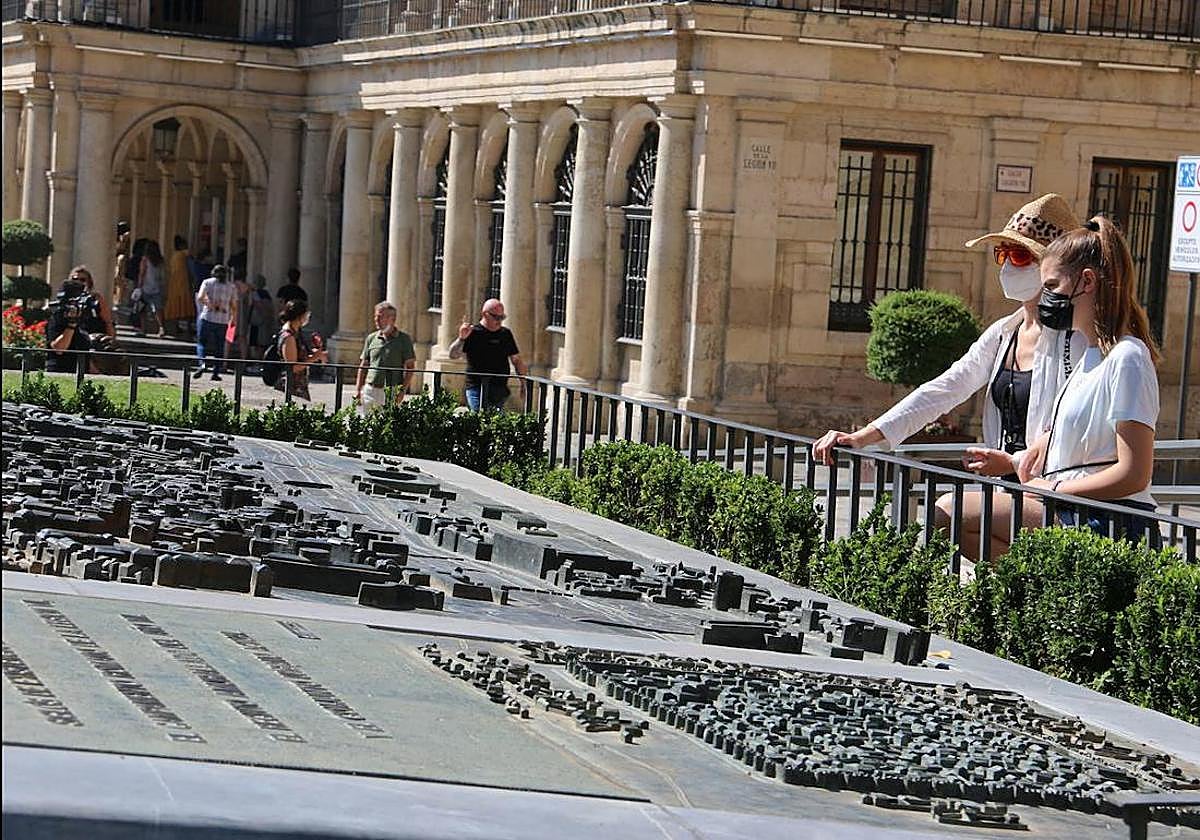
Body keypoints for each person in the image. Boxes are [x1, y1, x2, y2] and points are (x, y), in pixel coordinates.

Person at [811, 194, 1086, 561]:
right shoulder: (1005, 331)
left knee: (948, 514)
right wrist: (865, 436)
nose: (1007, 265)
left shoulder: (1078, 339)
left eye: (1019, 255)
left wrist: (1018, 459)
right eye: (1001, 254)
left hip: (1056, 489)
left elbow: (1083, 418)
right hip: (1009, 489)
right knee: (967, 536)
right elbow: (945, 388)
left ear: (1051, 266)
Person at [1019, 217, 1163, 548]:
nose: (1045, 299)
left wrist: (1052, 489)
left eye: (1052, 286)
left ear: (1087, 281)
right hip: (1076, 513)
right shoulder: (1090, 356)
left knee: (953, 512)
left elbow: (1134, 474)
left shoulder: (1128, 357)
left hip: (1106, 522)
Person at [448, 298, 528, 411]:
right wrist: (461, 339)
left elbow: (516, 360)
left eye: (502, 317)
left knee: (494, 422)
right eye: (496, 317)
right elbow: (453, 355)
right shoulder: (473, 332)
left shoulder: (505, 334)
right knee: (478, 417)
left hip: (499, 387)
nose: (499, 321)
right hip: (476, 386)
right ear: (485, 314)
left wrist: (523, 383)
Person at [354, 301, 416, 413]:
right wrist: (358, 389)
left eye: (380, 317)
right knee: (367, 423)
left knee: (386, 425)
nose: (376, 320)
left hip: (390, 389)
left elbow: (410, 367)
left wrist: (402, 391)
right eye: (375, 316)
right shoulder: (371, 338)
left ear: (391, 319)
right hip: (370, 389)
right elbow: (363, 365)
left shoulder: (404, 339)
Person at [46, 275, 114, 374]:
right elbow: (59, 348)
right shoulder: (58, 317)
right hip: (60, 371)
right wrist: (71, 324)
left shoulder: (87, 317)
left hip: (81, 372)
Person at [275, 298, 328, 402]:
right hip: (291, 387)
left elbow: (299, 356)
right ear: (300, 316)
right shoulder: (288, 337)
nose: (307, 317)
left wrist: (315, 354)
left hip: (299, 385)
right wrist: (314, 358)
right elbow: (292, 367)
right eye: (306, 314)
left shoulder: (296, 332)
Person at [194, 264, 236, 380]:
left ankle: (202, 363)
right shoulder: (231, 287)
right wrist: (233, 319)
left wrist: (209, 304)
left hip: (207, 317)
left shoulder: (207, 282)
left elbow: (200, 297)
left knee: (201, 342)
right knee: (219, 346)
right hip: (223, 320)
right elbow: (233, 305)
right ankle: (216, 372)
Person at [163, 235, 195, 336]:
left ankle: (176, 326)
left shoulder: (174, 255)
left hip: (174, 283)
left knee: (177, 306)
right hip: (183, 283)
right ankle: (189, 327)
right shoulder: (184, 254)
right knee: (187, 307)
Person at [136, 240, 165, 337]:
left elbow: (142, 273)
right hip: (157, 287)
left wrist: (139, 286)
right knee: (158, 309)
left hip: (145, 287)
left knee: (142, 309)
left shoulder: (145, 259)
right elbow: (162, 274)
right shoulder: (160, 260)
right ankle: (161, 328)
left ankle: (143, 329)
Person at [248, 274, 275, 360]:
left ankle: (257, 362)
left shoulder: (256, 293)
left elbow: (258, 304)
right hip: (265, 321)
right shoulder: (267, 294)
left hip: (258, 321)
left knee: (257, 343)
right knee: (262, 343)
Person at [113, 221, 130, 310]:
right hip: (118, 261)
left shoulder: (123, 238)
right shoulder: (120, 239)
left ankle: (119, 300)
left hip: (121, 260)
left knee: (120, 282)